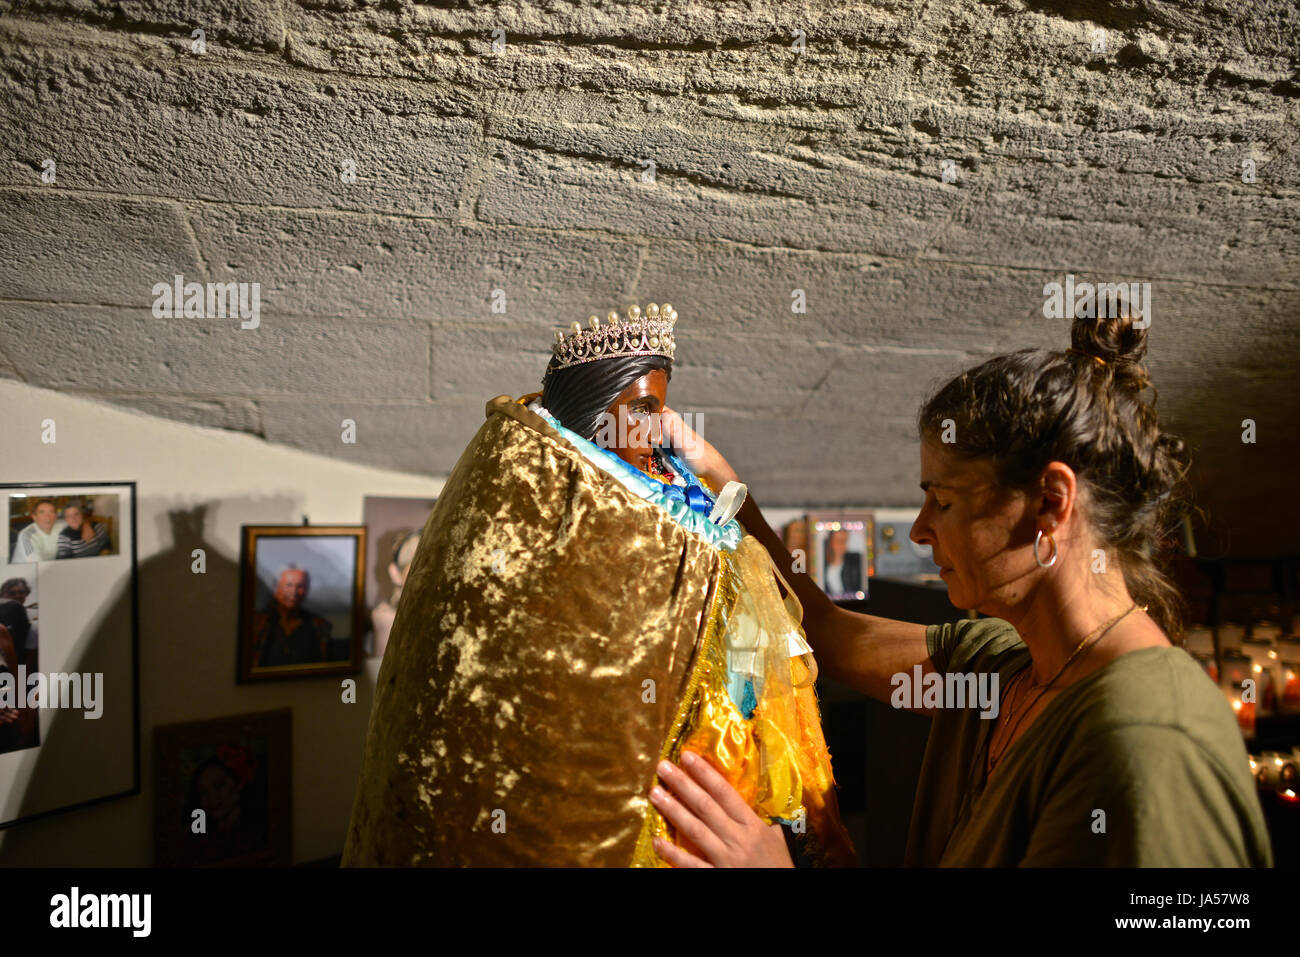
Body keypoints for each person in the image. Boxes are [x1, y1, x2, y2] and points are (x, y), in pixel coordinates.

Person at [650, 312, 1272, 867]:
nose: (921, 530)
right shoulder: (1002, 669)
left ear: (1050, 505)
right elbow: (823, 630)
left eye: (943, 501)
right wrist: (725, 487)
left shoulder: (1150, 739)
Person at [344, 302, 855, 867]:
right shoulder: (558, 513)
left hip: (716, 760)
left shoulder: (680, 489)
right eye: (643, 408)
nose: (660, 428)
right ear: (592, 416)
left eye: (660, 407)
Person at [249, 565, 332, 667]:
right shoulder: (256, 622)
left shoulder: (319, 626)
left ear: (306, 590)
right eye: (288, 585)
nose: (294, 592)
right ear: (276, 589)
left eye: (300, 586)